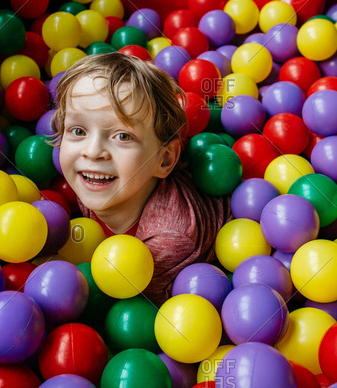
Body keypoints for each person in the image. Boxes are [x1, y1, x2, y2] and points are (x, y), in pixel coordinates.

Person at [52, 52, 231, 305]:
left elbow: (140, 309)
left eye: (123, 136)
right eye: (78, 131)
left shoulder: (167, 241)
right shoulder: (92, 182)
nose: (92, 152)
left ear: (164, 160)